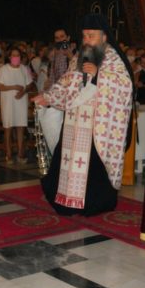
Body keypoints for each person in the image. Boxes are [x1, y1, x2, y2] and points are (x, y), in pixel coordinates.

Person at [32, 13, 133, 216]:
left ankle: (94, 204)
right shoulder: (79, 57)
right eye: (85, 36)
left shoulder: (114, 58)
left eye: (91, 36)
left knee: (93, 167)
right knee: (66, 161)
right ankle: (66, 202)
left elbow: (125, 86)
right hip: (74, 121)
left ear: (104, 37)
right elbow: (66, 82)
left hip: (97, 126)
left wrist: (99, 75)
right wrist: (48, 97)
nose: (86, 40)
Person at [0, 47, 33, 164]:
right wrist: (14, 87)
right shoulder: (3, 69)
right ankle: (8, 153)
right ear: (9, 57)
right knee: (8, 127)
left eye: (18, 55)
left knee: (20, 126)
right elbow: (0, 86)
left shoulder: (24, 69)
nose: (16, 57)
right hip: (8, 102)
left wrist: (23, 91)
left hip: (21, 101)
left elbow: (29, 84)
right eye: (14, 55)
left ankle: (20, 153)